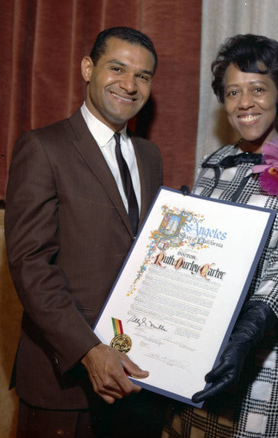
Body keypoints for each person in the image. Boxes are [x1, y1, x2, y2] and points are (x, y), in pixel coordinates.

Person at [162, 34, 278, 437]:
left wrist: (243, 338)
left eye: (258, 89)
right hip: (197, 346)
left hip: (263, 355)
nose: (245, 103)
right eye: (233, 92)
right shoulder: (214, 163)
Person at [5, 27, 166, 437]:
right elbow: (30, 266)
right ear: (88, 68)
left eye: (143, 76)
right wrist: (89, 351)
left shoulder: (149, 156)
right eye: (117, 68)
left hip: (136, 381)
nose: (129, 85)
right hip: (64, 383)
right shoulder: (42, 147)